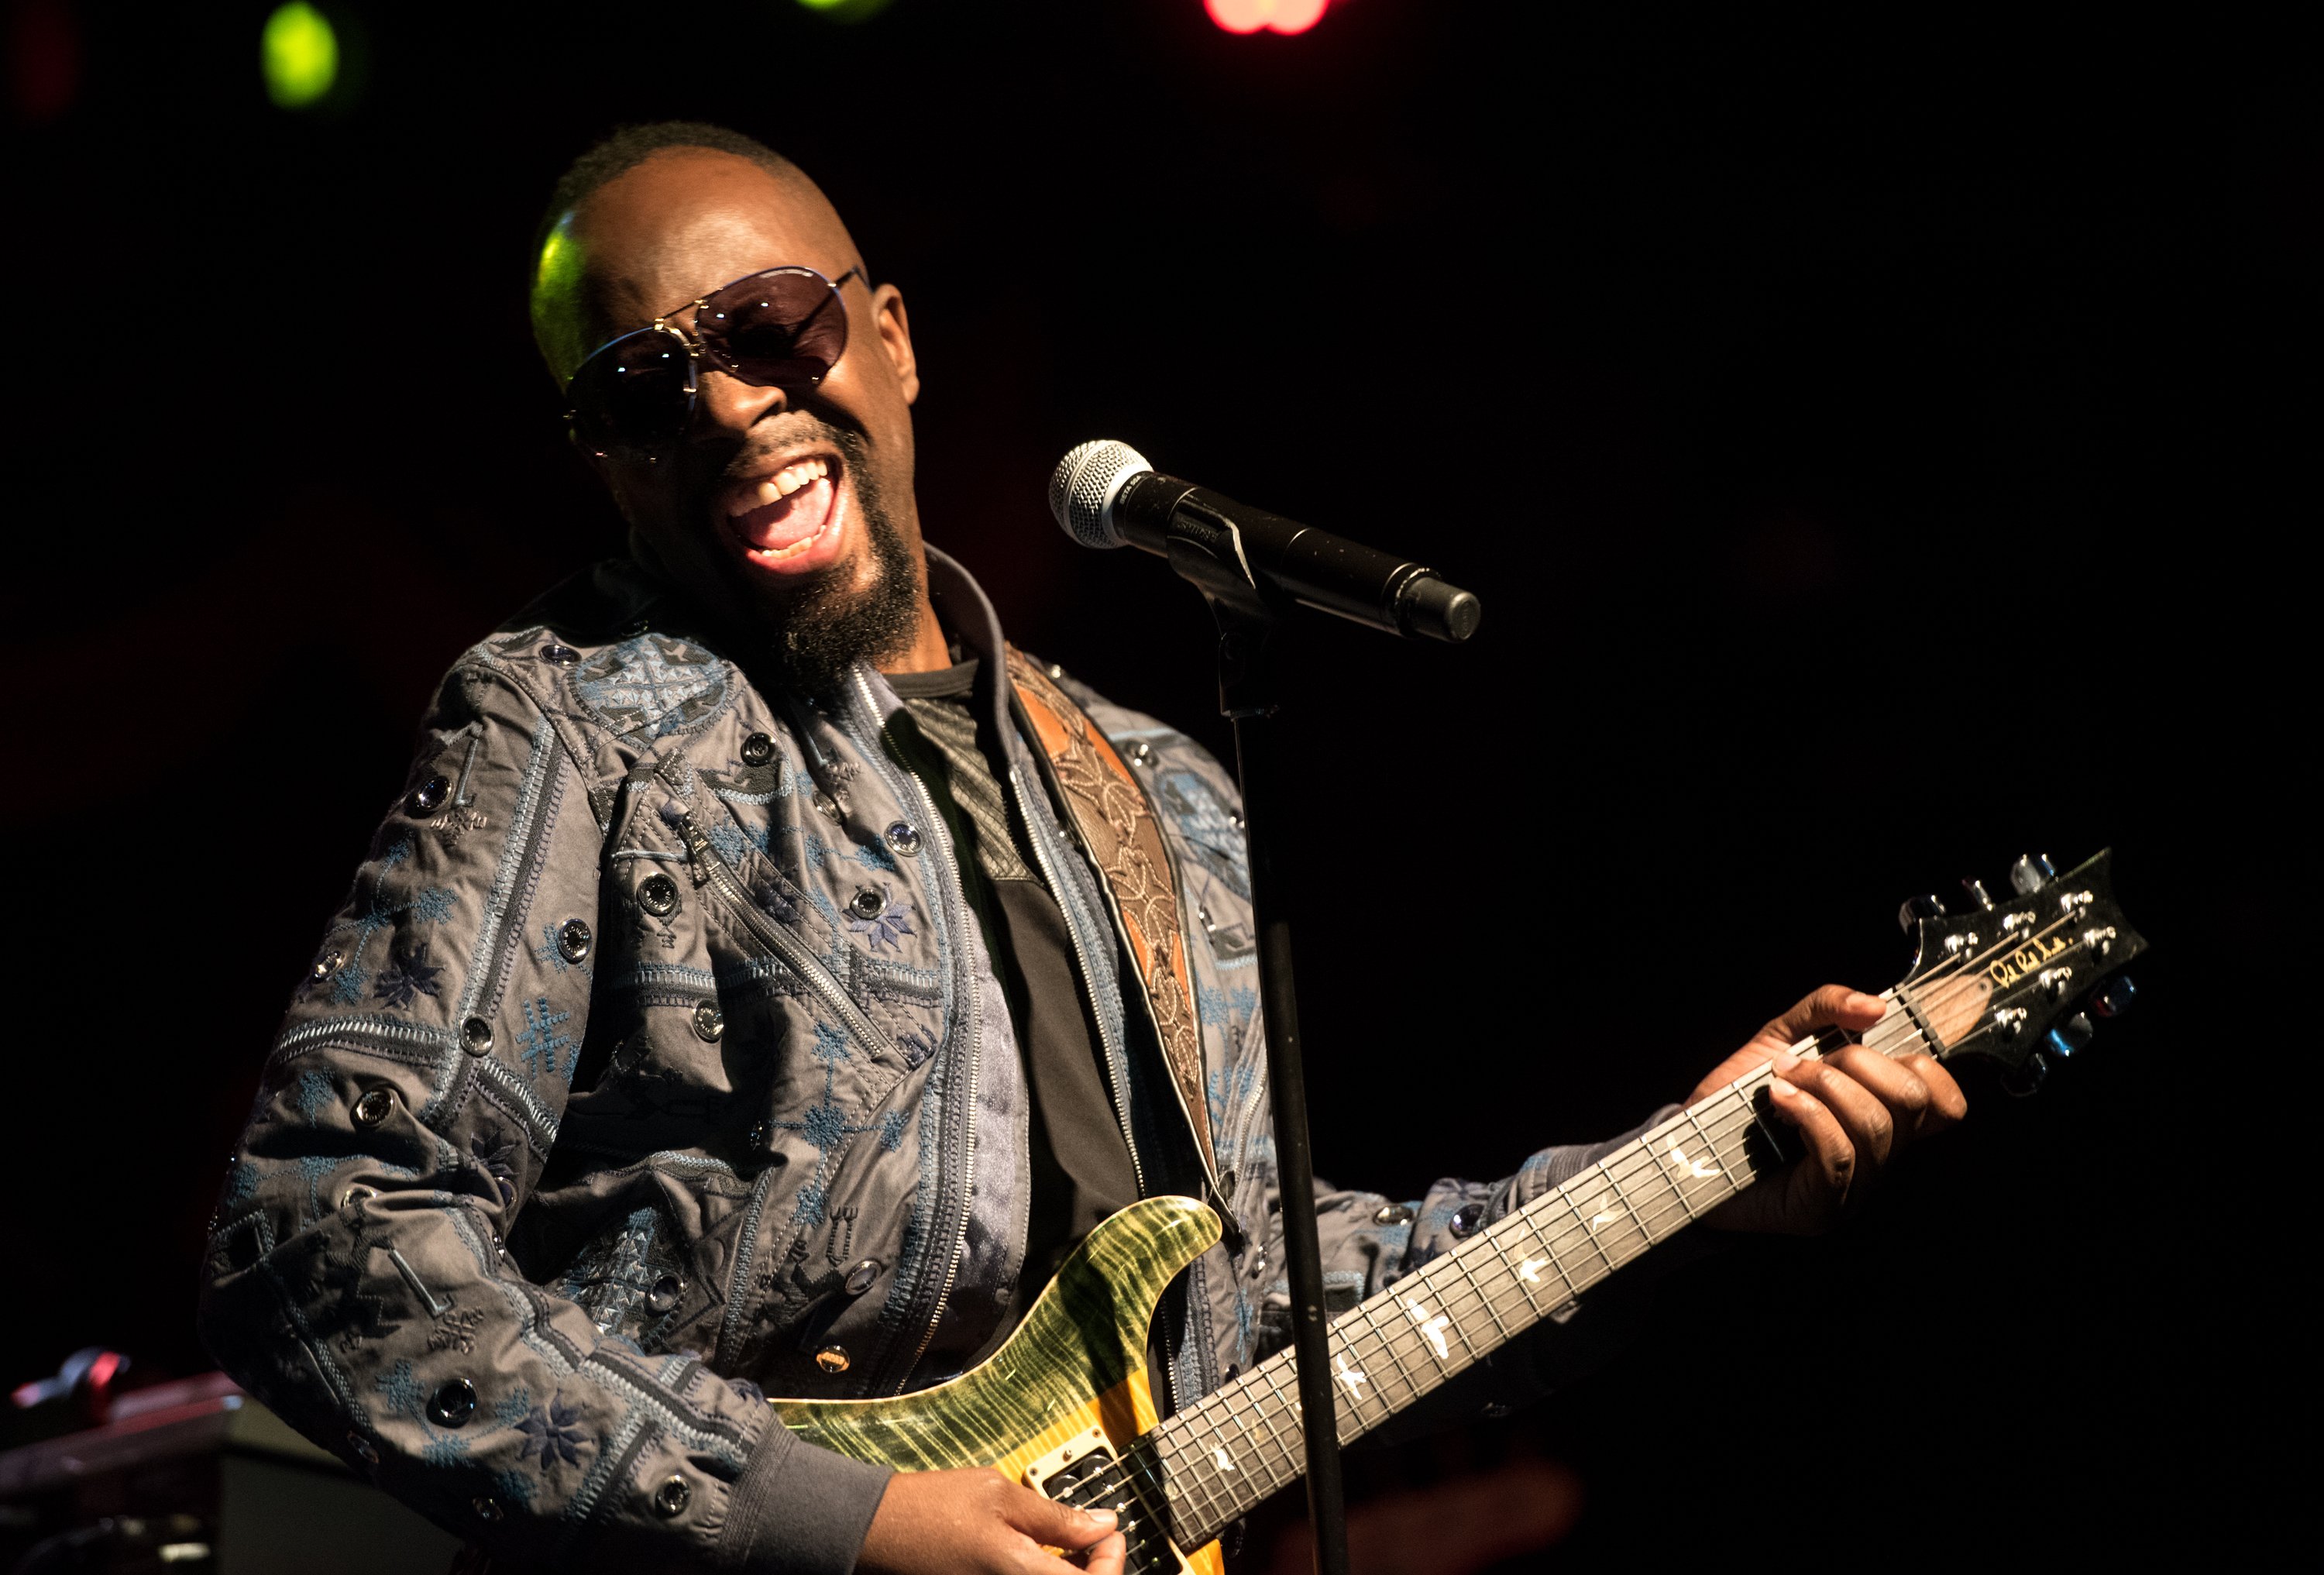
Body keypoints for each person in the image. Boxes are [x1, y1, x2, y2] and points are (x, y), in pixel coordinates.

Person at [196, 122, 1965, 1575]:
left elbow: (1259, 1300)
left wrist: (1691, 1173)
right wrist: (846, 1522)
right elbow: (321, 1235)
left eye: (772, 327)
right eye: (645, 389)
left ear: (891, 338)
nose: (729, 410)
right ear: (604, 458)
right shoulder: (570, 719)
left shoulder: (1156, 785)